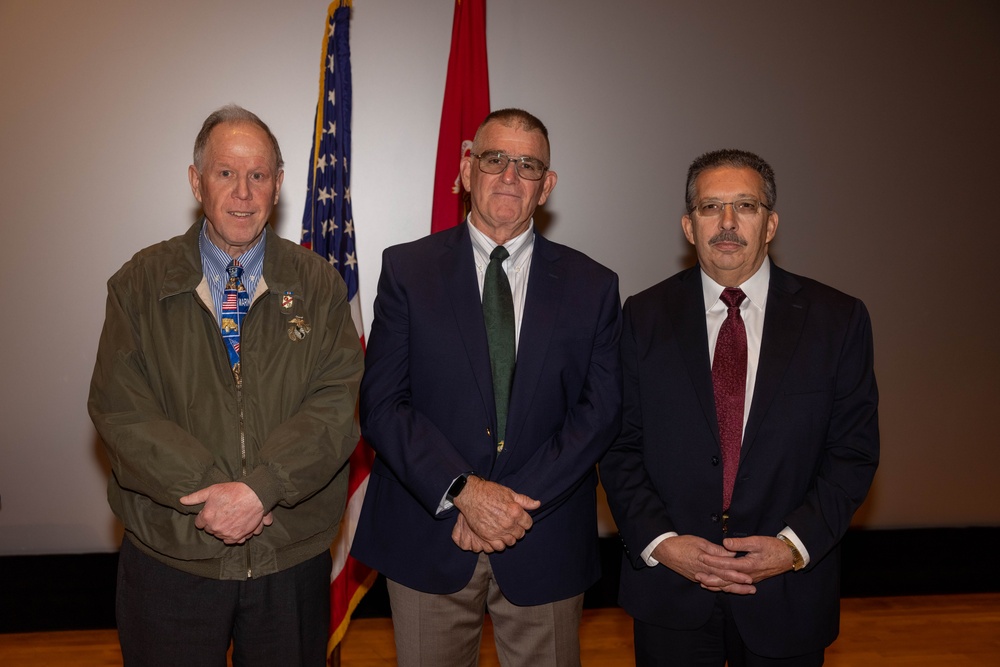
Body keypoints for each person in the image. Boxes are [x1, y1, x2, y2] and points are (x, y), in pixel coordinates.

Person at [88, 105, 364, 667]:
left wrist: (262, 488)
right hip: (173, 557)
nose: (243, 192)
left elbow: (335, 409)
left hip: (288, 558)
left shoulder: (319, 285)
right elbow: (122, 413)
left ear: (279, 185)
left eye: (258, 175)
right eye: (225, 173)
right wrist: (217, 495)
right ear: (196, 181)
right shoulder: (138, 284)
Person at [351, 108, 622, 666]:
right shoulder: (408, 270)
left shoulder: (593, 286)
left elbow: (598, 414)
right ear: (468, 167)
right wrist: (466, 493)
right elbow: (382, 405)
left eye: (527, 166)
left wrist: (509, 507)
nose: (508, 177)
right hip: (429, 536)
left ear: (546, 186)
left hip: (542, 535)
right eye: (495, 159)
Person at [599, 149, 879, 666]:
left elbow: (853, 454)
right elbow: (619, 445)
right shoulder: (642, 317)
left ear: (770, 224)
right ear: (689, 226)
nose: (727, 223)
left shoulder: (837, 321)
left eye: (745, 206)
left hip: (787, 594)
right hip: (670, 589)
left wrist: (793, 546)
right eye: (710, 208)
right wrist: (662, 542)